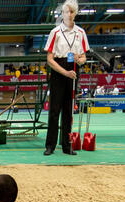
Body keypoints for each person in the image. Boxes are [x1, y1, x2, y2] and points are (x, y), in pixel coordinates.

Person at [43, 0, 89, 156]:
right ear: (62, 13)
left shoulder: (80, 33)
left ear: (75, 13)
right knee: (54, 111)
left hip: (73, 72)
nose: (68, 15)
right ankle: (50, 145)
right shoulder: (55, 32)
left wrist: (79, 60)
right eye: (66, 12)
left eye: (71, 12)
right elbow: (49, 59)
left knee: (69, 111)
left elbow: (84, 58)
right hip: (59, 71)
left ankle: (67, 145)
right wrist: (65, 72)